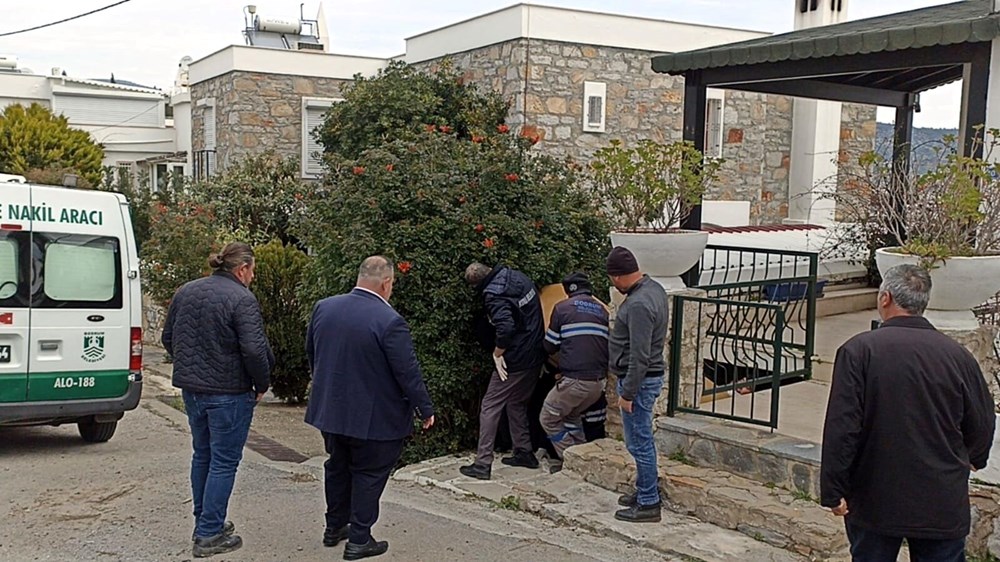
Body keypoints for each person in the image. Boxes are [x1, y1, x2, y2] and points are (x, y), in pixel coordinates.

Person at [821, 264, 995, 562]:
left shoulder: (859, 352)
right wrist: (976, 457)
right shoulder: (957, 356)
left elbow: (843, 427)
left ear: (885, 298)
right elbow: (981, 417)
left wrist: (833, 489)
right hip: (940, 498)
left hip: (875, 496)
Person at [305, 256, 435, 561]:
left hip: (332, 410)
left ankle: (334, 526)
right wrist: (424, 408)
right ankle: (360, 539)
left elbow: (313, 353)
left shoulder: (325, 307)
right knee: (369, 473)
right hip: (374, 416)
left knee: (337, 466)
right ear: (387, 282)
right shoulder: (390, 321)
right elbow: (407, 372)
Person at [162, 242, 274, 558]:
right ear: (242, 269)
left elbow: (167, 337)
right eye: (252, 271)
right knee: (224, 461)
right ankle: (210, 533)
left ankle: (206, 523)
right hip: (229, 392)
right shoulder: (242, 298)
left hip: (192, 390)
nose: (252, 277)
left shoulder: (186, 291)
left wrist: (189, 364)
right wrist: (262, 383)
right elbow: (254, 349)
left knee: (203, 455)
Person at [460, 262, 545, 480]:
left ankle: (482, 463)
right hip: (535, 352)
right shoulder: (517, 276)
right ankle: (524, 451)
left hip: (515, 359)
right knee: (516, 402)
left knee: (490, 405)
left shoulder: (493, 293)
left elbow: (506, 328)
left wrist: (498, 354)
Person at [606, 246, 669, 523]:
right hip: (645, 379)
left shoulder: (639, 304)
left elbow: (639, 355)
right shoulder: (653, 289)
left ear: (618, 277)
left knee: (639, 442)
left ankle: (648, 503)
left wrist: (628, 392)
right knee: (640, 440)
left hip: (639, 383)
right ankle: (645, 489)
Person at [539, 272, 609, 473]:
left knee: (548, 418)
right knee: (571, 417)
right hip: (597, 383)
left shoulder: (562, 308)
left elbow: (550, 346)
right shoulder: (602, 311)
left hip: (575, 381)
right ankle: (581, 456)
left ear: (568, 290)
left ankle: (570, 460)